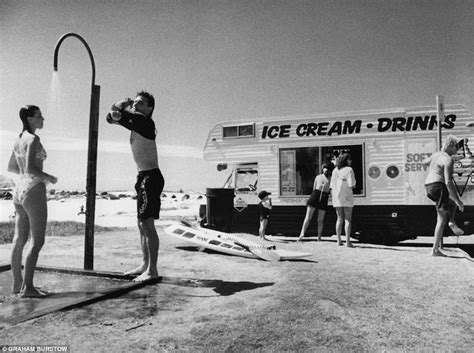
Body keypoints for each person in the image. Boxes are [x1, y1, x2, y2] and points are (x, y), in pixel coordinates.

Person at [106, 91, 164, 281]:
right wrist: (120, 108)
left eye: (141, 103)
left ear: (149, 108)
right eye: (135, 102)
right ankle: (145, 265)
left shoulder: (145, 123)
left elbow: (116, 114)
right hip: (142, 176)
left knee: (147, 224)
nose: (136, 104)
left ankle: (152, 270)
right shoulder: (135, 122)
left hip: (151, 177)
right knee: (141, 225)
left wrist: (122, 104)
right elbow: (109, 118)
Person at [7, 105, 58, 297]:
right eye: (39, 116)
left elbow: (12, 167)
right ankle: (28, 288)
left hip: (19, 189)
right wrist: (49, 177)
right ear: (30, 119)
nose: (42, 119)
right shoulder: (33, 138)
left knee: (19, 238)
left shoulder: (19, 139)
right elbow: (30, 168)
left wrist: (28, 175)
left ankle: (17, 284)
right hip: (33, 187)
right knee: (37, 240)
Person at [424, 135, 464, 257]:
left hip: (428, 186)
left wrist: (430, 162)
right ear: (451, 146)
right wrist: (459, 201)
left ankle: (451, 221)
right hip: (439, 185)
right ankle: (435, 250)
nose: (458, 150)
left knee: (448, 205)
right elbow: (448, 182)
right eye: (457, 147)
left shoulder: (436, 155)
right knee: (442, 219)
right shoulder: (448, 160)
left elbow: (425, 162)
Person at [298, 163, 332, 242]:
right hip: (316, 194)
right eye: (324, 168)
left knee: (320, 219)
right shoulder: (318, 177)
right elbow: (314, 187)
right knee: (308, 216)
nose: (325, 169)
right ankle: (302, 233)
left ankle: (319, 237)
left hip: (324, 196)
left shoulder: (331, 178)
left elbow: (331, 189)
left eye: (326, 168)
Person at [330, 153, 356, 247]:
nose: (351, 161)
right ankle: (348, 242)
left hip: (337, 196)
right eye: (349, 159)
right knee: (348, 219)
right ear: (346, 160)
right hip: (347, 196)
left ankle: (338, 240)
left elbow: (331, 185)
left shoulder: (335, 170)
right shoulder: (349, 170)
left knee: (339, 219)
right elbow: (351, 184)